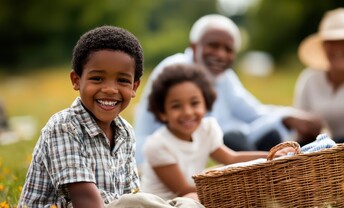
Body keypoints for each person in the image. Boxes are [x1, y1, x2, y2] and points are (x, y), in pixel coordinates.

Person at [16, 25, 231, 208]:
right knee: (135, 207)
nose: (110, 89)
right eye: (97, 79)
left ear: (135, 87)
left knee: (184, 202)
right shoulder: (64, 126)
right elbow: (84, 198)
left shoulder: (125, 132)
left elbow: (130, 194)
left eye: (122, 80)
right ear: (76, 80)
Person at [134, 14, 323, 168]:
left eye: (228, 49)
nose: (220, 55)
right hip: (170, 158)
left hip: (217, 150)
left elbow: (254, 113)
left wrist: (288, 117)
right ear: (194, 47)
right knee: (234, 136)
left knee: (271, 133)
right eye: (213, 46)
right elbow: (187, 131)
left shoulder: (225, 78)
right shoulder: (175, 72)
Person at [140, 63, 293, 201]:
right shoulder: (157, 145)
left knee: (215, 179)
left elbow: (231, 158)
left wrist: (271, 156)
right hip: (167, 205)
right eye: (176, 106)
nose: (187, 112)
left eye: (194, 103)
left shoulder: (206, 129)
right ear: (162, 112)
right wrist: (230, 191)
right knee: (192, 197)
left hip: (194, 196)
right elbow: (183, 189)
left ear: (206, 104)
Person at [294, 8, 344, 144]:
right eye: (331, 42)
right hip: (318, 150)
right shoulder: (309, 79)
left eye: (342, 41)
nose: (338, 47)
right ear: (323, 47)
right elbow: (299, 124)